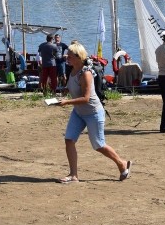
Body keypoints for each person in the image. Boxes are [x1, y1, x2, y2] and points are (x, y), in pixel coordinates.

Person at [56, 41, 130, 184]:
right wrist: (65, 90)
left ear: (78, 56)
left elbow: (86, 98)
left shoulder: (86, 73)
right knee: (69, 140)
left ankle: (122, 164)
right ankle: (73, 175)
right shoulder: (72, 70)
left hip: (93, 113)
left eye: (69, 55)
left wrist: (66, 102)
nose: (67, 57)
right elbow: (73, 86)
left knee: (98, 145)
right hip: (78, 112)